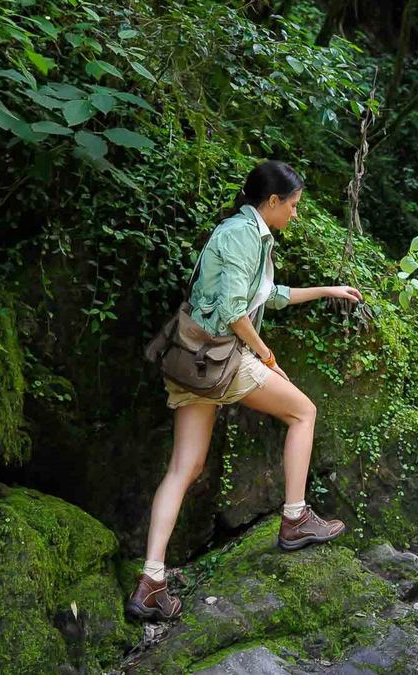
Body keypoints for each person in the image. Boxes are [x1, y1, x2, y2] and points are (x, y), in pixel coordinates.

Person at [126, 160, 363, 622]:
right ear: (272, 201)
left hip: (193, 362)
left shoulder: (250, 236)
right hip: (221, 358)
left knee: (183, 467)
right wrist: (268, 357)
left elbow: (268, 296)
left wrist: (328, 290)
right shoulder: (239, 235)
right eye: (292, 205)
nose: (295, 214)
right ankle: (295, 517)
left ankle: (151, 581)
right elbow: (237, 314)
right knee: (303, 412)